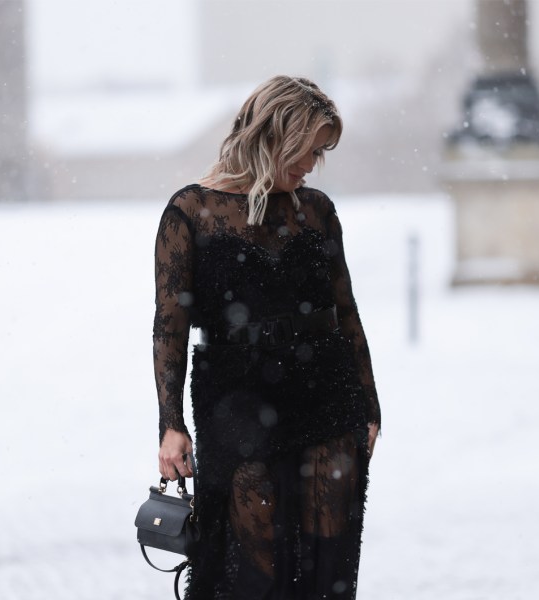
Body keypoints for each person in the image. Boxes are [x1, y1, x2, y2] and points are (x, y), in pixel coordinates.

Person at [153, 75, 381, 599]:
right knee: (249, 574)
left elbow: (345, 313)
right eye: (306, 150)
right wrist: (171, 424)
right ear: (272, 136)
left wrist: (368, 406)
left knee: (326, 574)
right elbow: (171, 326)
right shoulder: (190, 213)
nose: (311, 165)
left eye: (321, 153)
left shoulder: (317, 211)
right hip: (237, 408)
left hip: (328, 400)